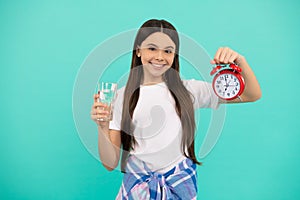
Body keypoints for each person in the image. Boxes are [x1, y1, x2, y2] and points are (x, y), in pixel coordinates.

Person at [90, 19, 261, 200]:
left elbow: (252, 94)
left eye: (168, 51)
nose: (160, 57)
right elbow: (110, 163)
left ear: (175, 55)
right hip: (137, 190)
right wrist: (102, 126)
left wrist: (240, 61)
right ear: (138, 50)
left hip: (179, 185)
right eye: (152, 48)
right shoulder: (121, 97)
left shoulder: (190, 90)